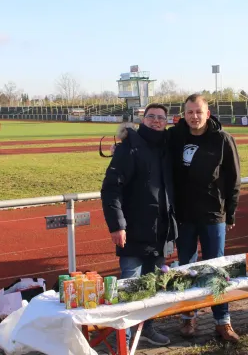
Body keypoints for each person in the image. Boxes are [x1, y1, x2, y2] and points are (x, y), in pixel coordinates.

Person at [100, 103, 176, 349]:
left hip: (160, 230)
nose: (156, 121)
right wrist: (117, 226)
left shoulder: (167, 146)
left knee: (152, 284)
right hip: (133, 230)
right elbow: (111, 189)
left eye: (161, 118)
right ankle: (125, 337)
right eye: (151, 117)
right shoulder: (128, 149)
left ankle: (147, 328)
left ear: (167, 121)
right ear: (143, 120)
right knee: (130, 286)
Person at [169, 94, 241, 343]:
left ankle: (223, 322)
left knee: (216, 270)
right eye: (190, 112)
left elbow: (234, 179)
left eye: (198, 112)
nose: (194, 116)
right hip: (184, 217)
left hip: (213, 216)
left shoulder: (222, 139)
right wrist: (122, 143)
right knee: (187, 270)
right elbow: (148, 140)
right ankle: (188, 318)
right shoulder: (175, 137)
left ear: (207, 113)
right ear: (184, 114)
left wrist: (229, 212)